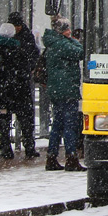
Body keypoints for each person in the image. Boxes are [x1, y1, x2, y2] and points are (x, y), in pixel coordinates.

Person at [0, 21, 38, 160]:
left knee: (4, 122)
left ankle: (6, 148)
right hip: (19, 91)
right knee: (25, 120)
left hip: (1, 92)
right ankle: (29, 147)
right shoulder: (18, 49)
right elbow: (25, 69)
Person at [42, 17, 85, 171]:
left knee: (58, 125)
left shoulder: (52, 43)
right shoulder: (63, 44)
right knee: (70, 124)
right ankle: (71, 157)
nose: (70, 32)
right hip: (67, 90)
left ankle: (51, 157)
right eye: (67, 29)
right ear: (62, 31)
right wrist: (73, 40)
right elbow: (81, 53)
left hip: (56, 90)